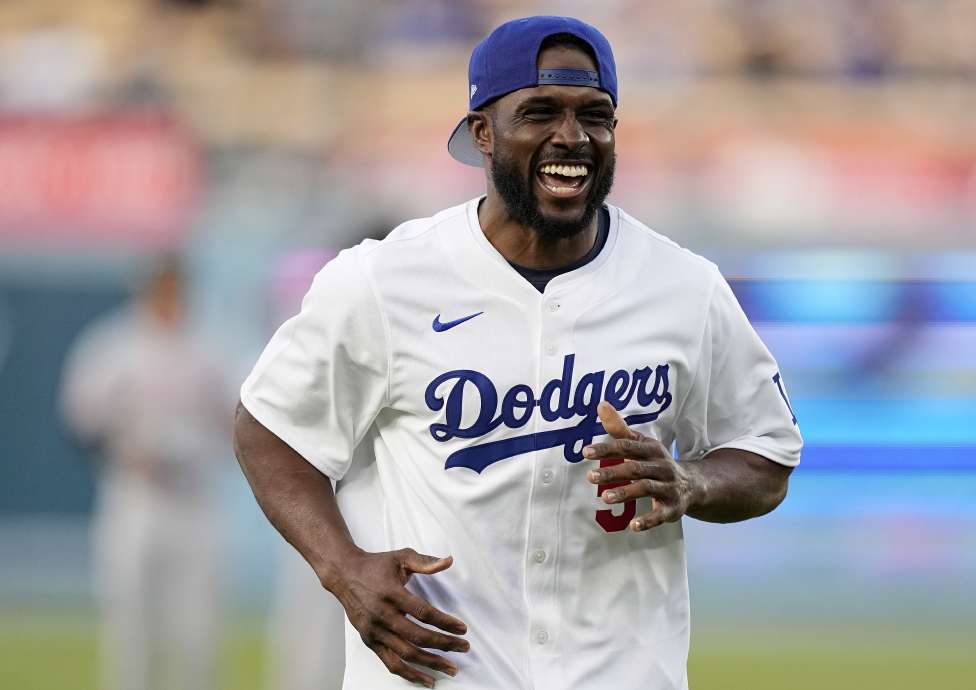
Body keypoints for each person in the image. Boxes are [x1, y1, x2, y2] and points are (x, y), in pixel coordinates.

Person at [233, 15, 802, 690]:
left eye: (595, 115)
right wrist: (343, 568)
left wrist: (693, 481)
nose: (571, 136)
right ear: (482, 133)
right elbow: (267, 429)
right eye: (540, 112)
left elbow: (766, 455)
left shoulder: (684, 287)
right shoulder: (383, 281)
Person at [60, 257, 229, 690]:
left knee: (196, 631)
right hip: (135, 494)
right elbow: (81, 424)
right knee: (132, 626)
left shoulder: (207, 349)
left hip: (194, 498)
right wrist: (123, 452)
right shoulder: (113, 347)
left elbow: (235, 424)